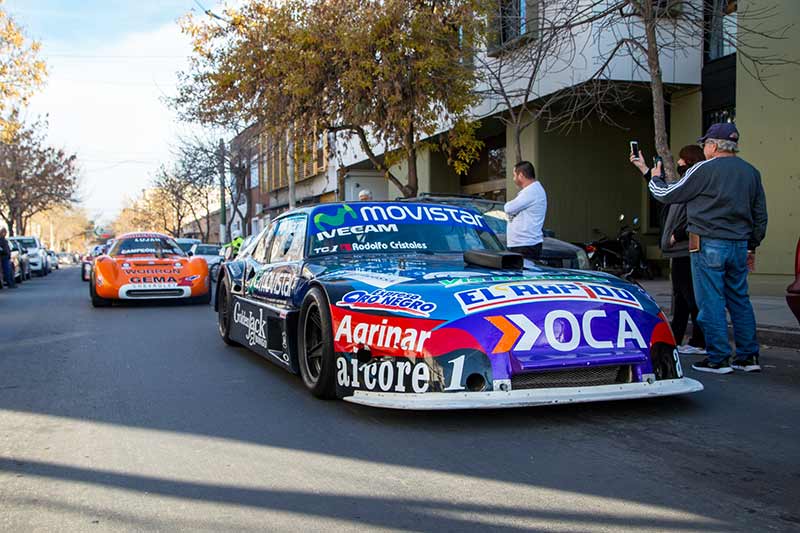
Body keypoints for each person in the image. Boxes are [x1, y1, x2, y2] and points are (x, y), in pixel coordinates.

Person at [648, 123, 767, 374]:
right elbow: (760, 215)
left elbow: (669, 194)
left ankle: (718, 358)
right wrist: (752, 246)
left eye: (706, 144)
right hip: (739, 244)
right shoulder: (751, 172)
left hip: (708, 242)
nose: (704, 148)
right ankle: (748, 357)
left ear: (713, 145)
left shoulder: (704, 169)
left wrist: (655, 178)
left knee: (710, 300)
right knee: (739, 299)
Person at [630, 145, 706, 355]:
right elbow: (664, 193)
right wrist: (646, 171)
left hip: (686, 250)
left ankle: (700, 341)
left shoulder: (694, 187)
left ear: (690, 161)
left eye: (682, 160)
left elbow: (695, 217)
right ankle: (676, 338)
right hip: (679, 251)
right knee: (681, 299)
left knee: (690, 298)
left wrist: (678, 235)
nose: (679, 163)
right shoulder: (684, 185)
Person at [504, 161, 547, 261]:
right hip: (524, 244)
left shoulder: (532, 191)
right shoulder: (532, 190)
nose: (513, 179)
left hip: (525, 246)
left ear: (521, 175)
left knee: (523, 274)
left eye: (514, 175)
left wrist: (509, 207)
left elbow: (509, 208)